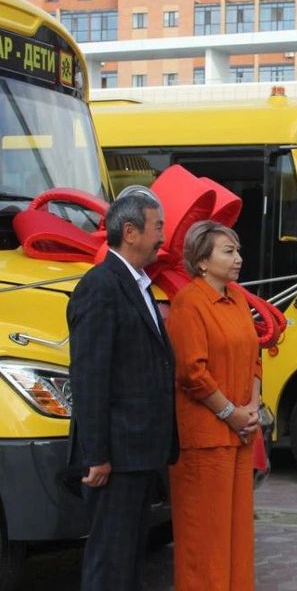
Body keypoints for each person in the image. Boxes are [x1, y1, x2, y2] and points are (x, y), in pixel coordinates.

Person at [66, 186, 178, 590]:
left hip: (139, 453)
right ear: (130, 232)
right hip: (115, 455)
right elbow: (90, 375)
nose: (162, 237)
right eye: (157, 227)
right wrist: (96, 454)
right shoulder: (101, 285)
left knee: (129, 558)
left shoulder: (137, 283)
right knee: (109, 559)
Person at [166, 221, 262, 590]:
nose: (238, 258)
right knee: (205, 537)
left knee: (237, 535)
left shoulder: (237, 297)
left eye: (237, 250)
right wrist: (232, 413)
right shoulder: (189, 303)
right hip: (205, 441)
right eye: (228, 251)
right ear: (202, 260)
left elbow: (254, 356)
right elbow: (192, 372)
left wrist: (251, 407)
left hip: (239, 436)